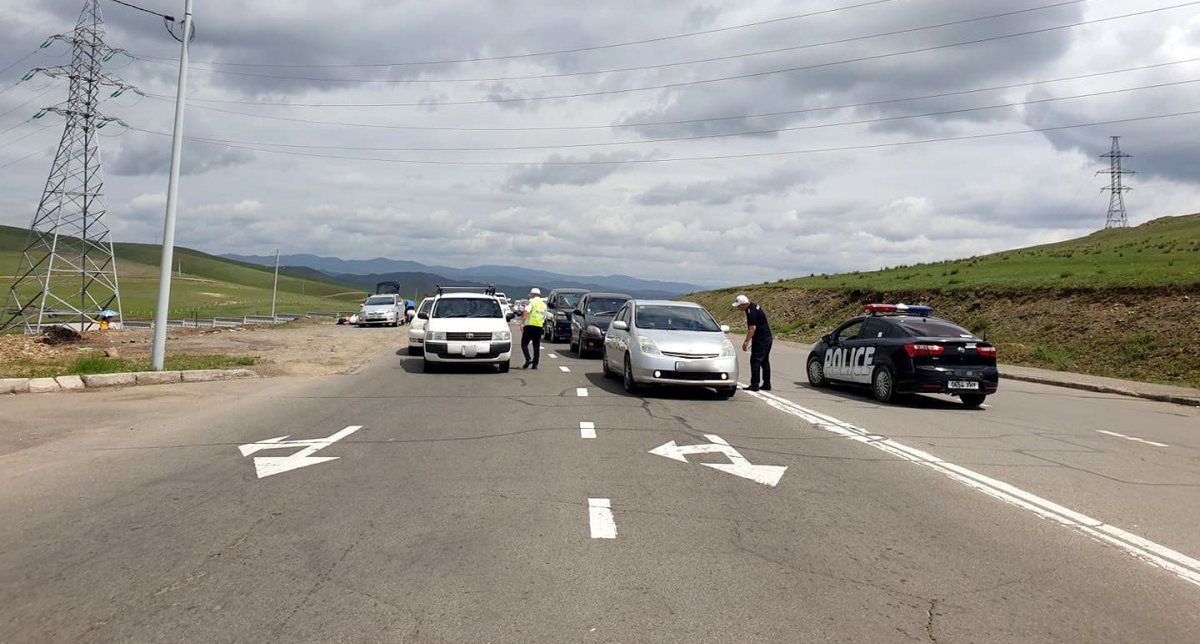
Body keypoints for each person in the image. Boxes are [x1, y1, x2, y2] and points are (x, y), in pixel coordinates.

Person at [734, 294, 772, 391]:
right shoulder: (753, 307)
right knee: (764, 361)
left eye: (739, 306)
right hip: (766, 337)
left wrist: (746, 342)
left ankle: (755, 384)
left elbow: (752, 328)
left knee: (755, 360)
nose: (738, 308)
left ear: (743, 304)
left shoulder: (751, 311)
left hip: (762, 338)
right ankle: (767, 383)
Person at [521, 287, 547, 369]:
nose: (530, 296)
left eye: (531, 294)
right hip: (539, 326)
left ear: (533, 294)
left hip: (530, 325)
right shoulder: (543, 305)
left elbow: (526, 312)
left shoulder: (531, 301)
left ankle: (528, 358)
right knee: (536, 346)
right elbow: (544, 317)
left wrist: (522, 323)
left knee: (524, 344)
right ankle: (535, 364)